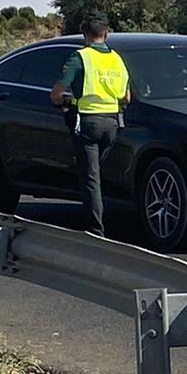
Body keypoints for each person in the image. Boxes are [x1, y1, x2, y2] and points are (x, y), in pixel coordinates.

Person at [50, 16, 131, 236]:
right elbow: (126, 97)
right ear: (106, 34)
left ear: (85, 35)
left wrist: (64, 101)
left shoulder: (81, 57)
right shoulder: (117, 59)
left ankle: (95, 231)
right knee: (96, 174)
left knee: (90, 179)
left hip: (87, 122)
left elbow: (56, 93)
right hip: (112, 123)